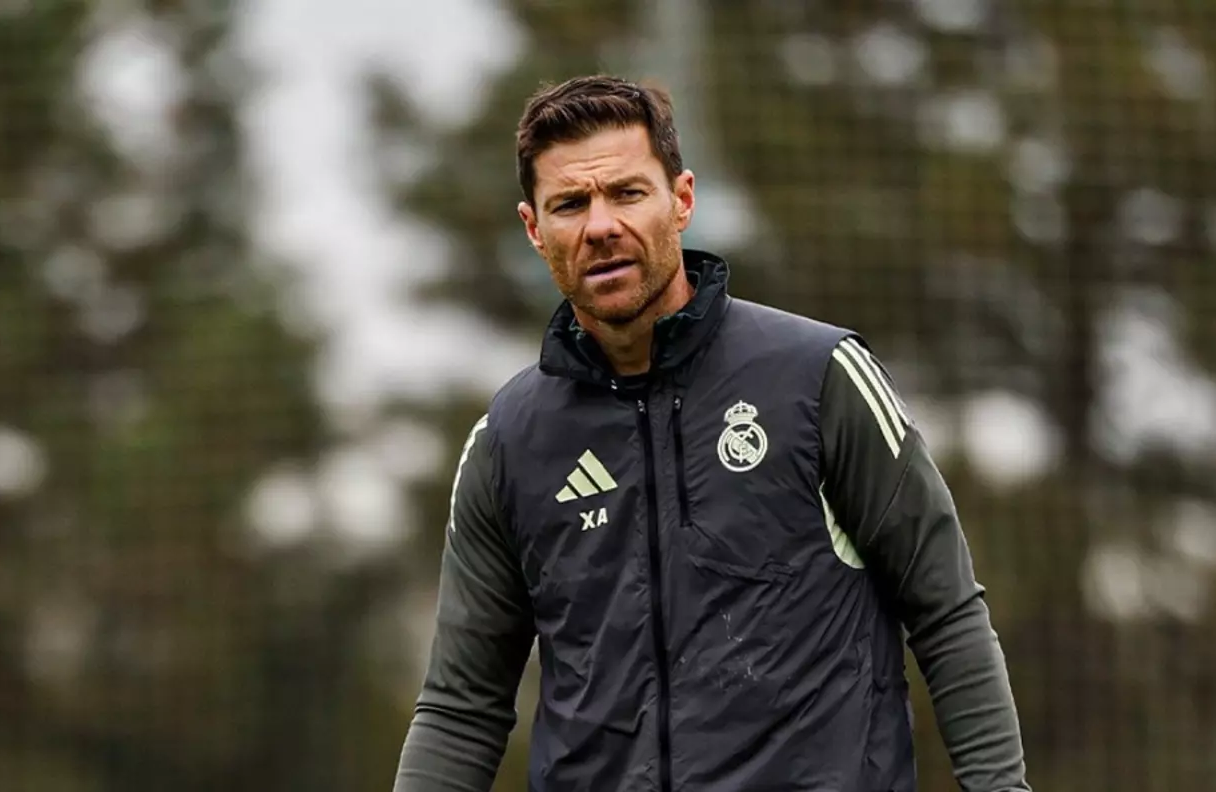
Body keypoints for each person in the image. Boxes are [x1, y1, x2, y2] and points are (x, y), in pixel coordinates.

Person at [393, 74, 1031, 792]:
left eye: (627, 193)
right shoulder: (509, 442)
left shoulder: (820, 377)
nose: (601, 226)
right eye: (570, 204)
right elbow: (461, 709)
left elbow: (947, 614)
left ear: (682, 200)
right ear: (535, 229)